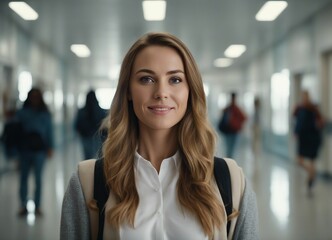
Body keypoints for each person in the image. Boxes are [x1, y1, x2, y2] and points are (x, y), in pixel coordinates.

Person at [61, 32, 258, 239]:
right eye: (146, 79)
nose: (161, 92)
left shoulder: (232, 182)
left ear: (190, 90)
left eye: (175, 79)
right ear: (128, 90)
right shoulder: (88, 183)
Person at [16, 87, 54, 216]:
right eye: (33, 96)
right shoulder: (22, 113)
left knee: (38, 178)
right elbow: (17, 132)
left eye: (37, 97)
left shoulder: (45, 113)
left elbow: (49, 131)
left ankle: (37, 206)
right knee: (23, 178)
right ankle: (23, 205)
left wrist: (50, 147)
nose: (35, 99)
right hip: (25, 150)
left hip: (39, 150)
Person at [293, 90, 324, 195]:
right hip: (303, 139)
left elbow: (321, 121)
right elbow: (295, 118)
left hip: (312, 139)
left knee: (312, 162)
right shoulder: (300, 108)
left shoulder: (313, 109)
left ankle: (310, 183)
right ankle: (311, 175)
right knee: (300, 161)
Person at [74, 90, 107, 159]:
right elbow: (105, 126)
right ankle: (96, 169)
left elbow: (76, 125)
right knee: (98, 157)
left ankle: (88, 169)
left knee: (87, 157)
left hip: (85, 137)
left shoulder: (82, 111)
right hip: (97, 137)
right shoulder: (100, 111)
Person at [218, 92, 247, 158]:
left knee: (230, 148)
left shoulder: (233, 109)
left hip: (233, 131)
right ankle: (229, 161)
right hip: (230, 131)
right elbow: (244, 117)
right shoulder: (231, 108)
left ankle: (229, 160)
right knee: (230, 148)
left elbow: (244, 117)